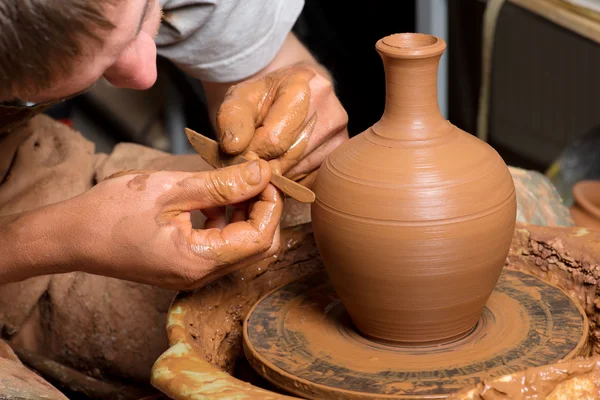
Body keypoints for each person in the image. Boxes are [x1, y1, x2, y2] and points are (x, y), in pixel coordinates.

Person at [0, 0, 349, 395]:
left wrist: (289, 118)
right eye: (20, 95)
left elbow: (269, 70)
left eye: (147, 10)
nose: (145, 74)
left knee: (314, 215)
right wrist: (53, 239)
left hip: (20, 163)